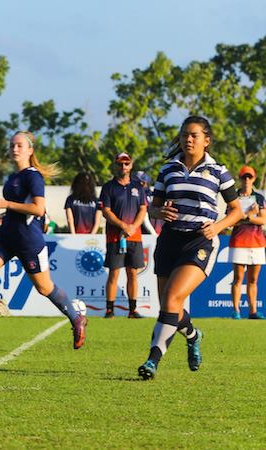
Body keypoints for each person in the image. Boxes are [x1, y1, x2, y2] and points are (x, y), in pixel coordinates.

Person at [0, 131, 87, 348]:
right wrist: (1, 217)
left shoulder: (33, 176)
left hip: (29, 241)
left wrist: (6, 205)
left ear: (30, 150)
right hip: (7, 237)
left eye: (19, 145)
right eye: (11, 146)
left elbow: (38, 209)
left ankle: (76, 318)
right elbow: (20, 211)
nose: (14, 149)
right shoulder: (12, 179)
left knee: (44, 288)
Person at [138, 116, 243, 380]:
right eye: (185, 134)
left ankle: (152, 361)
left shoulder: (218, 170)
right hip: (170, 239)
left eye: (194, 135)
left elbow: (236, 210)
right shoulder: (169, 169)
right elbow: (153, 206)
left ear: (206, 140)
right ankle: (193, 335)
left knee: (172, 299)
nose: (188, 139)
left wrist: (218, 227)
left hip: (199, 240)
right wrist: (158, 211)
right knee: (168, 307)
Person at [99, 153, 148, 319]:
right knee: (114, 273)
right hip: (115, 237)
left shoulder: (138, 187)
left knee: (133, 273)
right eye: (120, 164)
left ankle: (133, 310)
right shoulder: (108, 187)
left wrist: (133, 227)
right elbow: (106, 211)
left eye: (126, 164)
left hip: (134, 237)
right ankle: (109, 309)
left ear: (131, 165)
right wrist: (123, 226)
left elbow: (143, 208)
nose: (123, 167)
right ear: (115, 165)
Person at [229, 165, 266, 320]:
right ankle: (236, 310)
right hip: (239, 241)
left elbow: (263, 219)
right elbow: (230, 222)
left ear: (254, 179)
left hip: (257, 242)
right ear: (240, 178)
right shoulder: (234, 197)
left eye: (249, 177)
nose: (246, 180)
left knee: (253, 280)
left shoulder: (259, 198)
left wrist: (248, 217)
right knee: (238, 278)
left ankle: (252, 311)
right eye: (244, 177)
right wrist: (247, 216)